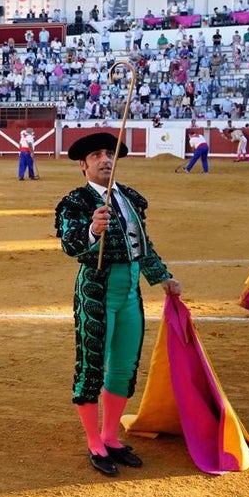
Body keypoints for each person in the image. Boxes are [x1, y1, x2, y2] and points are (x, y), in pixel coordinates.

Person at [55, 132, 182, 476]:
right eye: (96, 155)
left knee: (124, 367)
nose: (105, 159)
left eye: (109, 154)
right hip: (96, 293)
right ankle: (94, 441)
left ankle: (111, 436)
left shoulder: (129, 199)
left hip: (129, 294)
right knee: (92, 367)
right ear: (84, 166)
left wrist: (162, 277)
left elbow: (143, 246)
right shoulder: (76, 203)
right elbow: (71, 246)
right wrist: (93, 233)